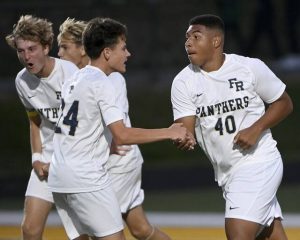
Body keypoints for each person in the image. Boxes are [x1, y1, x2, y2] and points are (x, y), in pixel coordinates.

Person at [48, 17, 194, 240]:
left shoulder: (74, 79)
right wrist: (169, 131)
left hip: (59, 177)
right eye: (123, 48)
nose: (128, 54)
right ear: (107, 52)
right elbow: (123, 135)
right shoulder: (103, 82)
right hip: (86, 178)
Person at [171, 14, 293, 240]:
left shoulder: (249, 68)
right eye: (187, 38)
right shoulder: (182, 82)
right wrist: (183, 136)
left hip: (259, 162)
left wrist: (256, 128)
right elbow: (185, 128)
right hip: (227, 172)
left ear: (216, 41)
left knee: (238, 233)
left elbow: (284, 103)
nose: (188, 43)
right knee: (271, 235)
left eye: (196, 37)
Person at [5, 15, 83, 240]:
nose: (26, 56)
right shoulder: (22, 81)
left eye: (32, 48)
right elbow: (34, 120)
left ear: (47, 47)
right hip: (47, 162)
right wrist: (36, 157)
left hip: (75, 163)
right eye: (21, 51)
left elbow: (88, 122)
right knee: (30, 230)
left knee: (80, 235)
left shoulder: (70, 74)